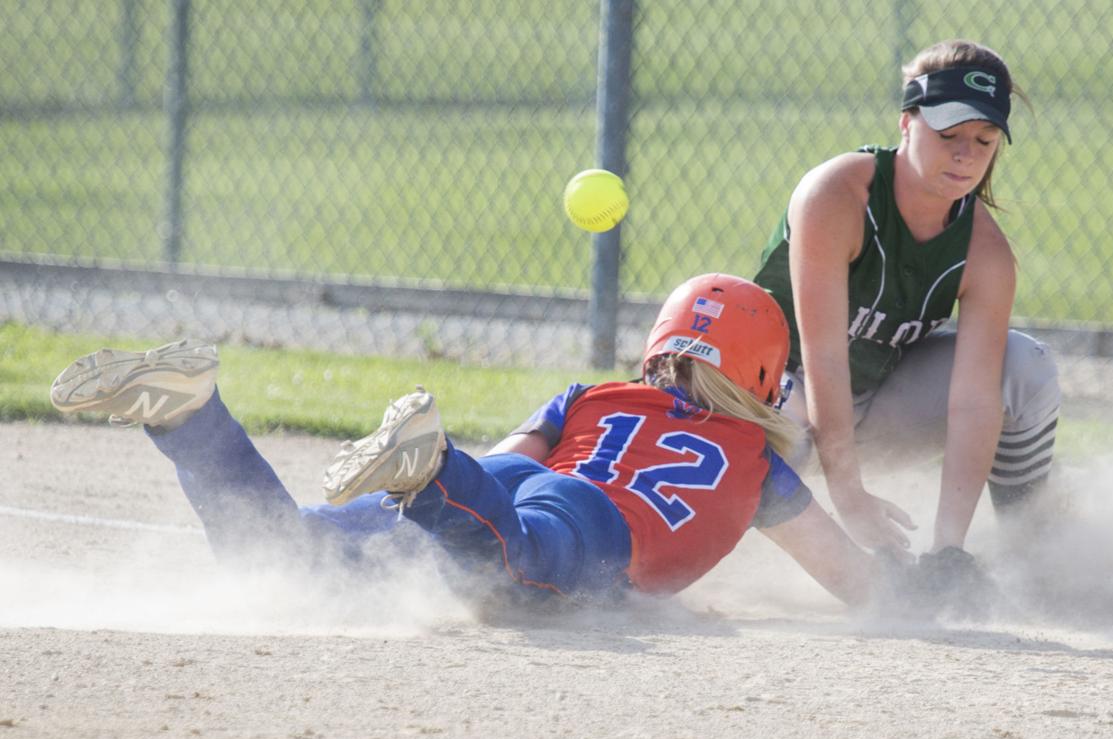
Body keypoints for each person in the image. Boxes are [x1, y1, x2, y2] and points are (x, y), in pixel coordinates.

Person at [49, 274, 910, 608]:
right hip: (574, 526)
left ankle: (191, 415)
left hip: (506, 481)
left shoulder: (595, 394)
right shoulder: (755, 464)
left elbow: (514, 460)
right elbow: (852, 581)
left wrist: (455, 483)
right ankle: (430, 471)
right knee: (521, 574)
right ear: (764, 375)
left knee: (277, 555)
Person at [752, 39, 1061, 561]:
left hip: (875, 404)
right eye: (949, 134)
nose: (966, 155)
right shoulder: (836, 196)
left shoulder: (986, 254)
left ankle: (1029, 555)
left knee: (1026, 367)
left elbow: (973, 401)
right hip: (777, 391)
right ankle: (707, 555)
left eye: (984, 140)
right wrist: (849, 498)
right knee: (790, 430)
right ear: (906, 123)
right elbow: (823, 357)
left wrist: (948, 548)